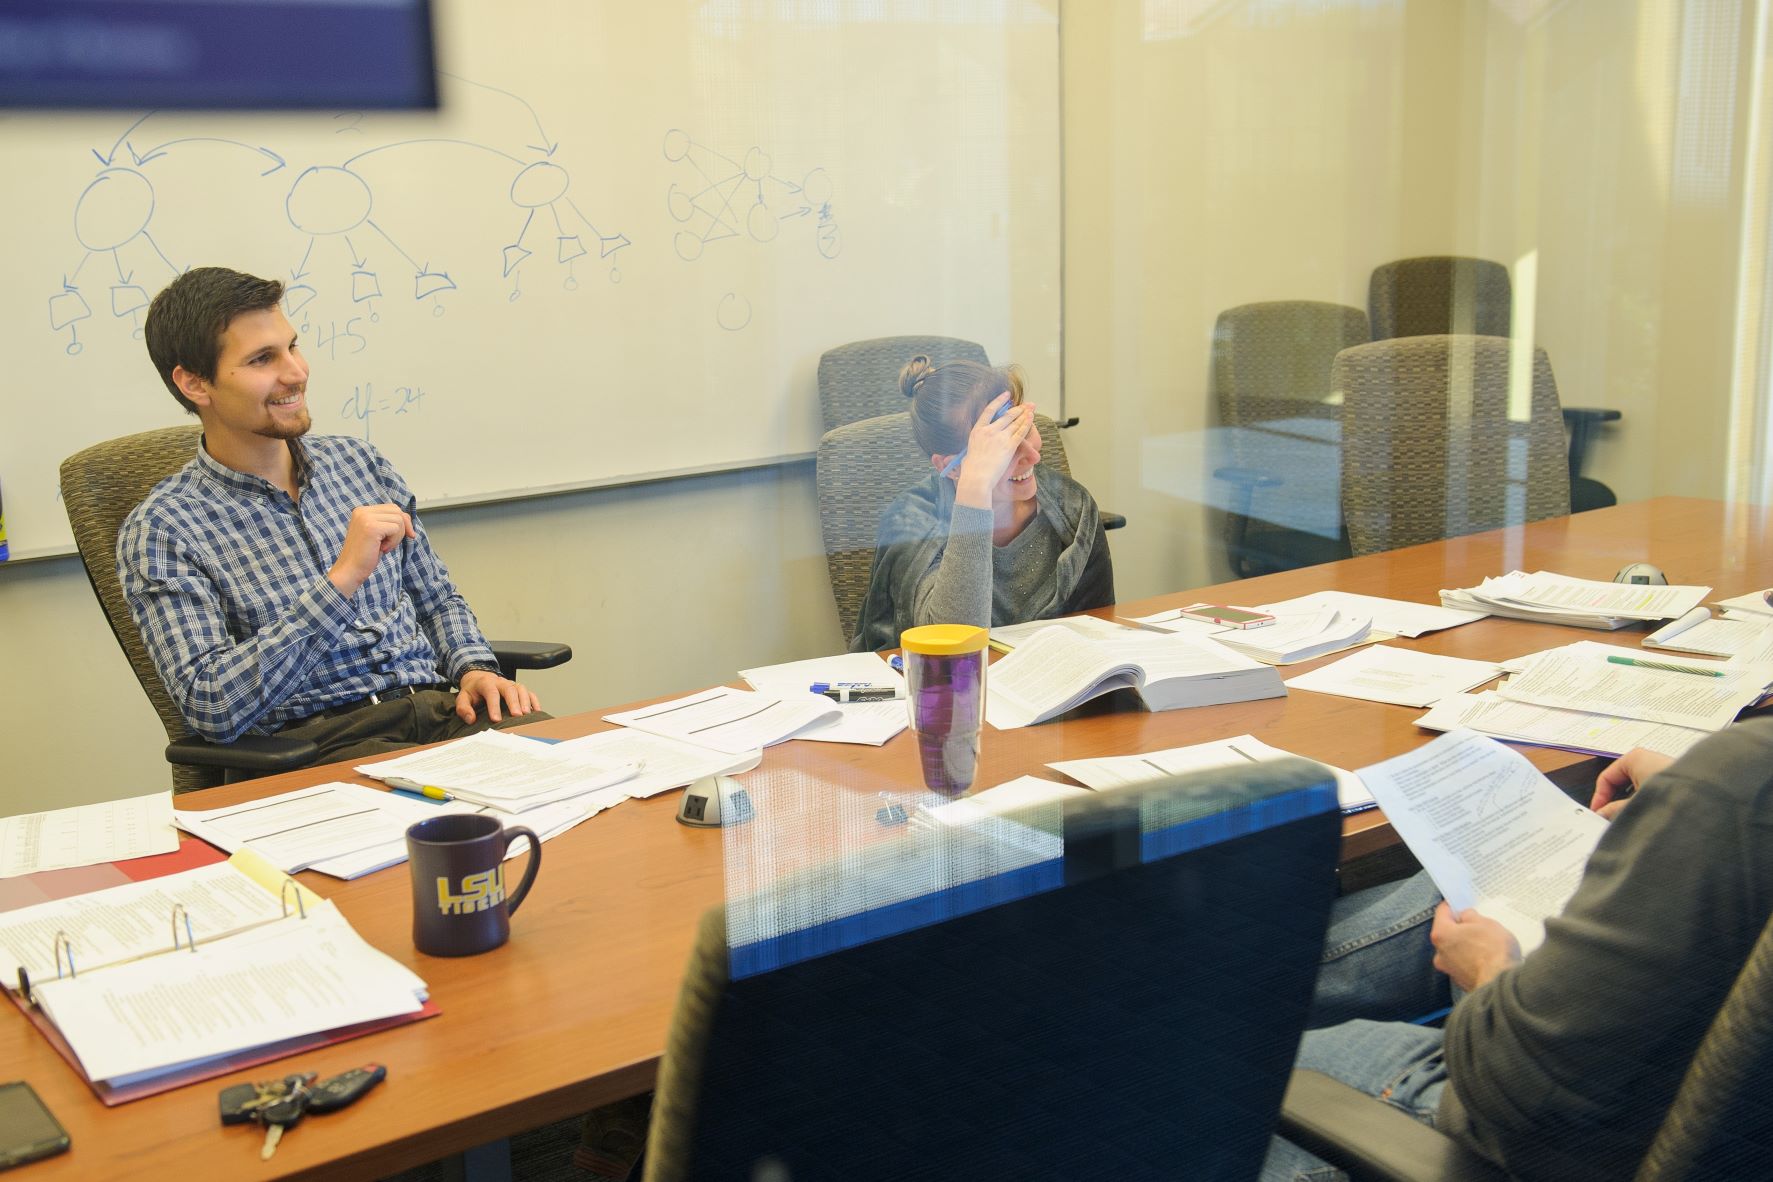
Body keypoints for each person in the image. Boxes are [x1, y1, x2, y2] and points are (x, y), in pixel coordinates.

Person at [1263, 718, 1773, 1182]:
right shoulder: (1745, 779)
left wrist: (1487, 970)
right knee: (1467, 886)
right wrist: (1693, 808)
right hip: (1712, 1114)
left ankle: (1205, 1021)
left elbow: (1519, 1085)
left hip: (1548, 1139)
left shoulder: (1742, 775)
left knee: (1216, 1069)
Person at [119, 266, 547, 767]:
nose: (296, 373)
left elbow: (436, 599)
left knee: (588, 786)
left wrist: (473, 667)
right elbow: (211, 704)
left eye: (292, 347)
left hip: (444, 714)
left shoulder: (359, 464)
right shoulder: (163, 529)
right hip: (320, 746)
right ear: (194, 382)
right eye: (262, 359)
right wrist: (340, 583)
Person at [848, 355, 1114, 651]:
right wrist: (975, 490)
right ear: (952, 467)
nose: (1032, 456)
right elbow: (954, 644)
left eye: (1023, 429)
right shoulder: (912, 521)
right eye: (1003, 446)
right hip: (943, 690)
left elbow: (1098, 631)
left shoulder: (1072, 507)